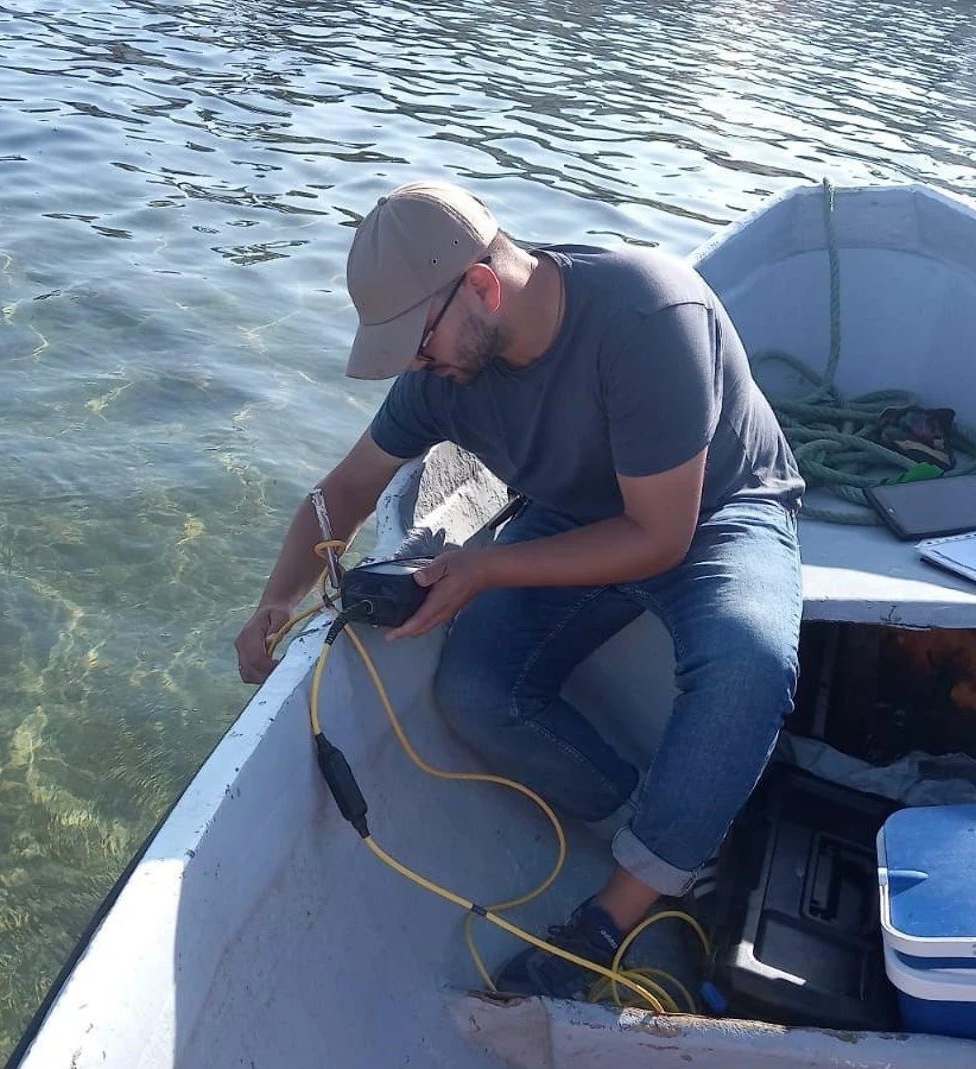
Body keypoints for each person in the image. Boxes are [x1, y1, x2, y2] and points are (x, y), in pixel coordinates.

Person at [232, 179, 806, 1000]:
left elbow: (660, 537)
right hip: (575, 513)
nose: (417, 368)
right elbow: (346, 491)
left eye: (419, 345)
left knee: (746, 661)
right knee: (473, 691)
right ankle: (667, 820)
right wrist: (276, 598)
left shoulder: (651, 317)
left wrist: (488, 565)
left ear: (481, 286)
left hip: (714, 512)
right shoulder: (443, 372)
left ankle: (613, 914)